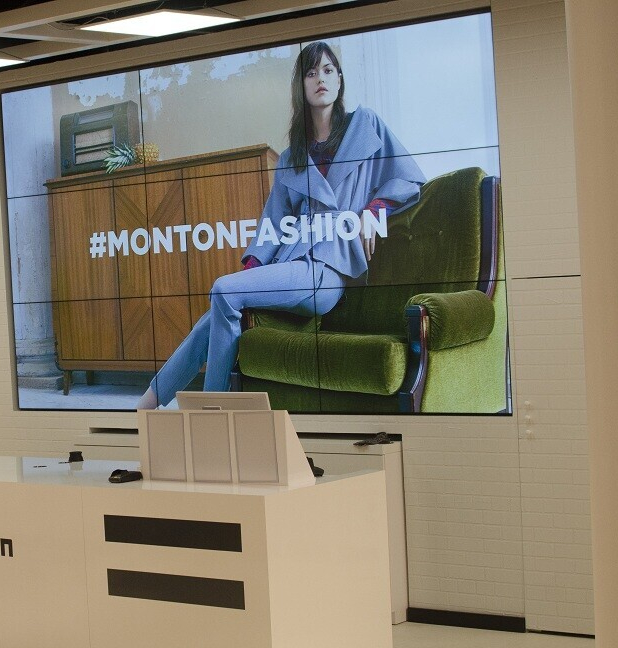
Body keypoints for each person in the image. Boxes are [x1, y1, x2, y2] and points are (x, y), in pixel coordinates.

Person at [136, 41, 426, 409]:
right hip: (290, 264)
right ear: (300, 87)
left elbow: (407, 177)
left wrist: (373, 210)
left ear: (339, 80)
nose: (320, 79)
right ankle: (147, 404)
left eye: (328, 70)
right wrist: (251, 275)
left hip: (328, 270)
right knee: (216, 313)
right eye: (311, 73)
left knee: (223, 291)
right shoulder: (292, 157)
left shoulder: (365, 125)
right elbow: (272, 222)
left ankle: (212, 410)